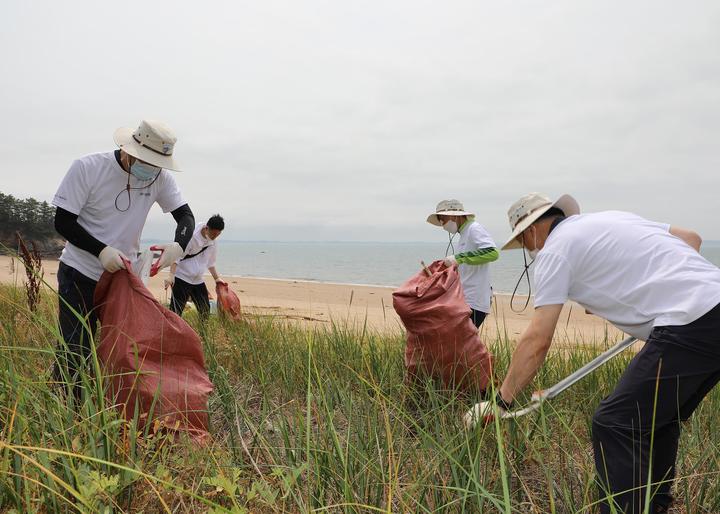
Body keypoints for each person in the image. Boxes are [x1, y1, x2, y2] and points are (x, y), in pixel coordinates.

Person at [469, 192, 720, 513]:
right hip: (711, 306)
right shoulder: (609, 219)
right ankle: (653, 506)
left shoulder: (554, 251)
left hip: (689, 320)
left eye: (524, 243)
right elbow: (691, 238)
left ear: (530, 231)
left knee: (612, 422)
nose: (530, 251)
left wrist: (502, 401)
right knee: (656, 418)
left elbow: (537, 340)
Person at [51, 119, 195, 400]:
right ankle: (68, 405)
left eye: (157, 165)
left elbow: (185, 216)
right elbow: (63, 222)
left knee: (123, 347)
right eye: (145, 162)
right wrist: (101, 250)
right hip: (79, 272)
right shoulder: (88, 168)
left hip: (122, 279)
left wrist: (178, 246)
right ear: (128, 149)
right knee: (75, 346)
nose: (150, 171)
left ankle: (112, 401)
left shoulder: (159, 177)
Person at [427, 199, 499, 327]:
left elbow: (492, 253)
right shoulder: (464, 234)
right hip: (465, 298)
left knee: (461, 340)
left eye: (442, 219)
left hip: (475, 300)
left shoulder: (474, 229)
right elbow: (466, 264)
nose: (442, 224)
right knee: (458, 341)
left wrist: (460, 257)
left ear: (453, 215)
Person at [165, 214, 225, 322]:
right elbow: (177, 257)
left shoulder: (213, 242)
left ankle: (203, 334)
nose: (215, 237)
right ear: (207, 228)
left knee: (205, 309)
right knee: (176, 311)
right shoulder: (191, 237)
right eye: (213, 234)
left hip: (198, 280)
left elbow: (210, 263)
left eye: (218, 234)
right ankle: (170, 334)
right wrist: (171, 276)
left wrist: (217, 279)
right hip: (182, 278)